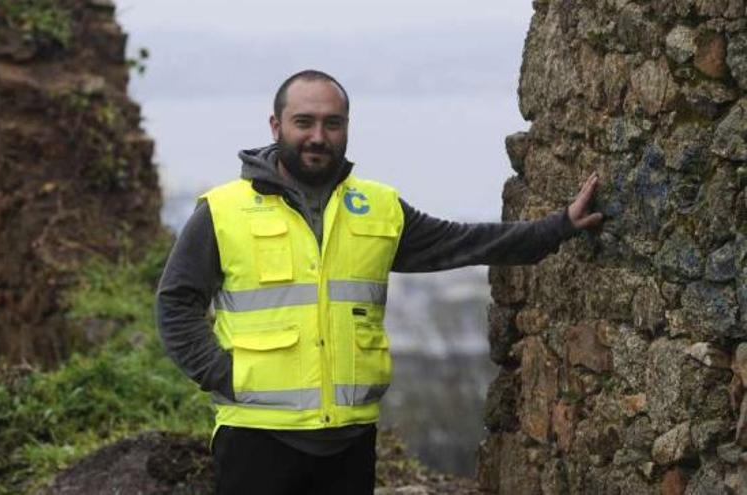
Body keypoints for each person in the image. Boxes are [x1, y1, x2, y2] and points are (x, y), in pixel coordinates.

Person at [156, 69, 603, 494]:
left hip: (349, 441)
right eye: (303, 122)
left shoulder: (379, 208)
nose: (318, 136)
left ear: (347, 127)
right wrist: (223, 374)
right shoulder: (223, 210)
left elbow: (464, 242)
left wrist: (558, 226)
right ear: (276, 126)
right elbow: (175, 303)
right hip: (256, 437)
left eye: (332, 123)